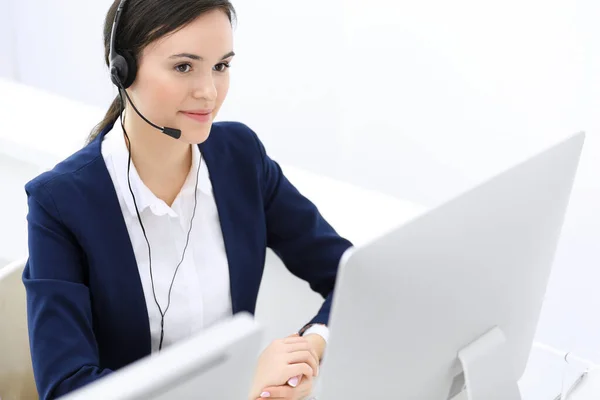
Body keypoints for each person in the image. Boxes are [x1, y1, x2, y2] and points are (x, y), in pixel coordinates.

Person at [21, 1, 353, 399]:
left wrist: (308, 351)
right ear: (122, 71)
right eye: (183, 67)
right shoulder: (60, 202)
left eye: (221, 66)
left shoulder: (240, 158)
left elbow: (349, 275)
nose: (209, 92)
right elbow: (66, 391)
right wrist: (236, 386)